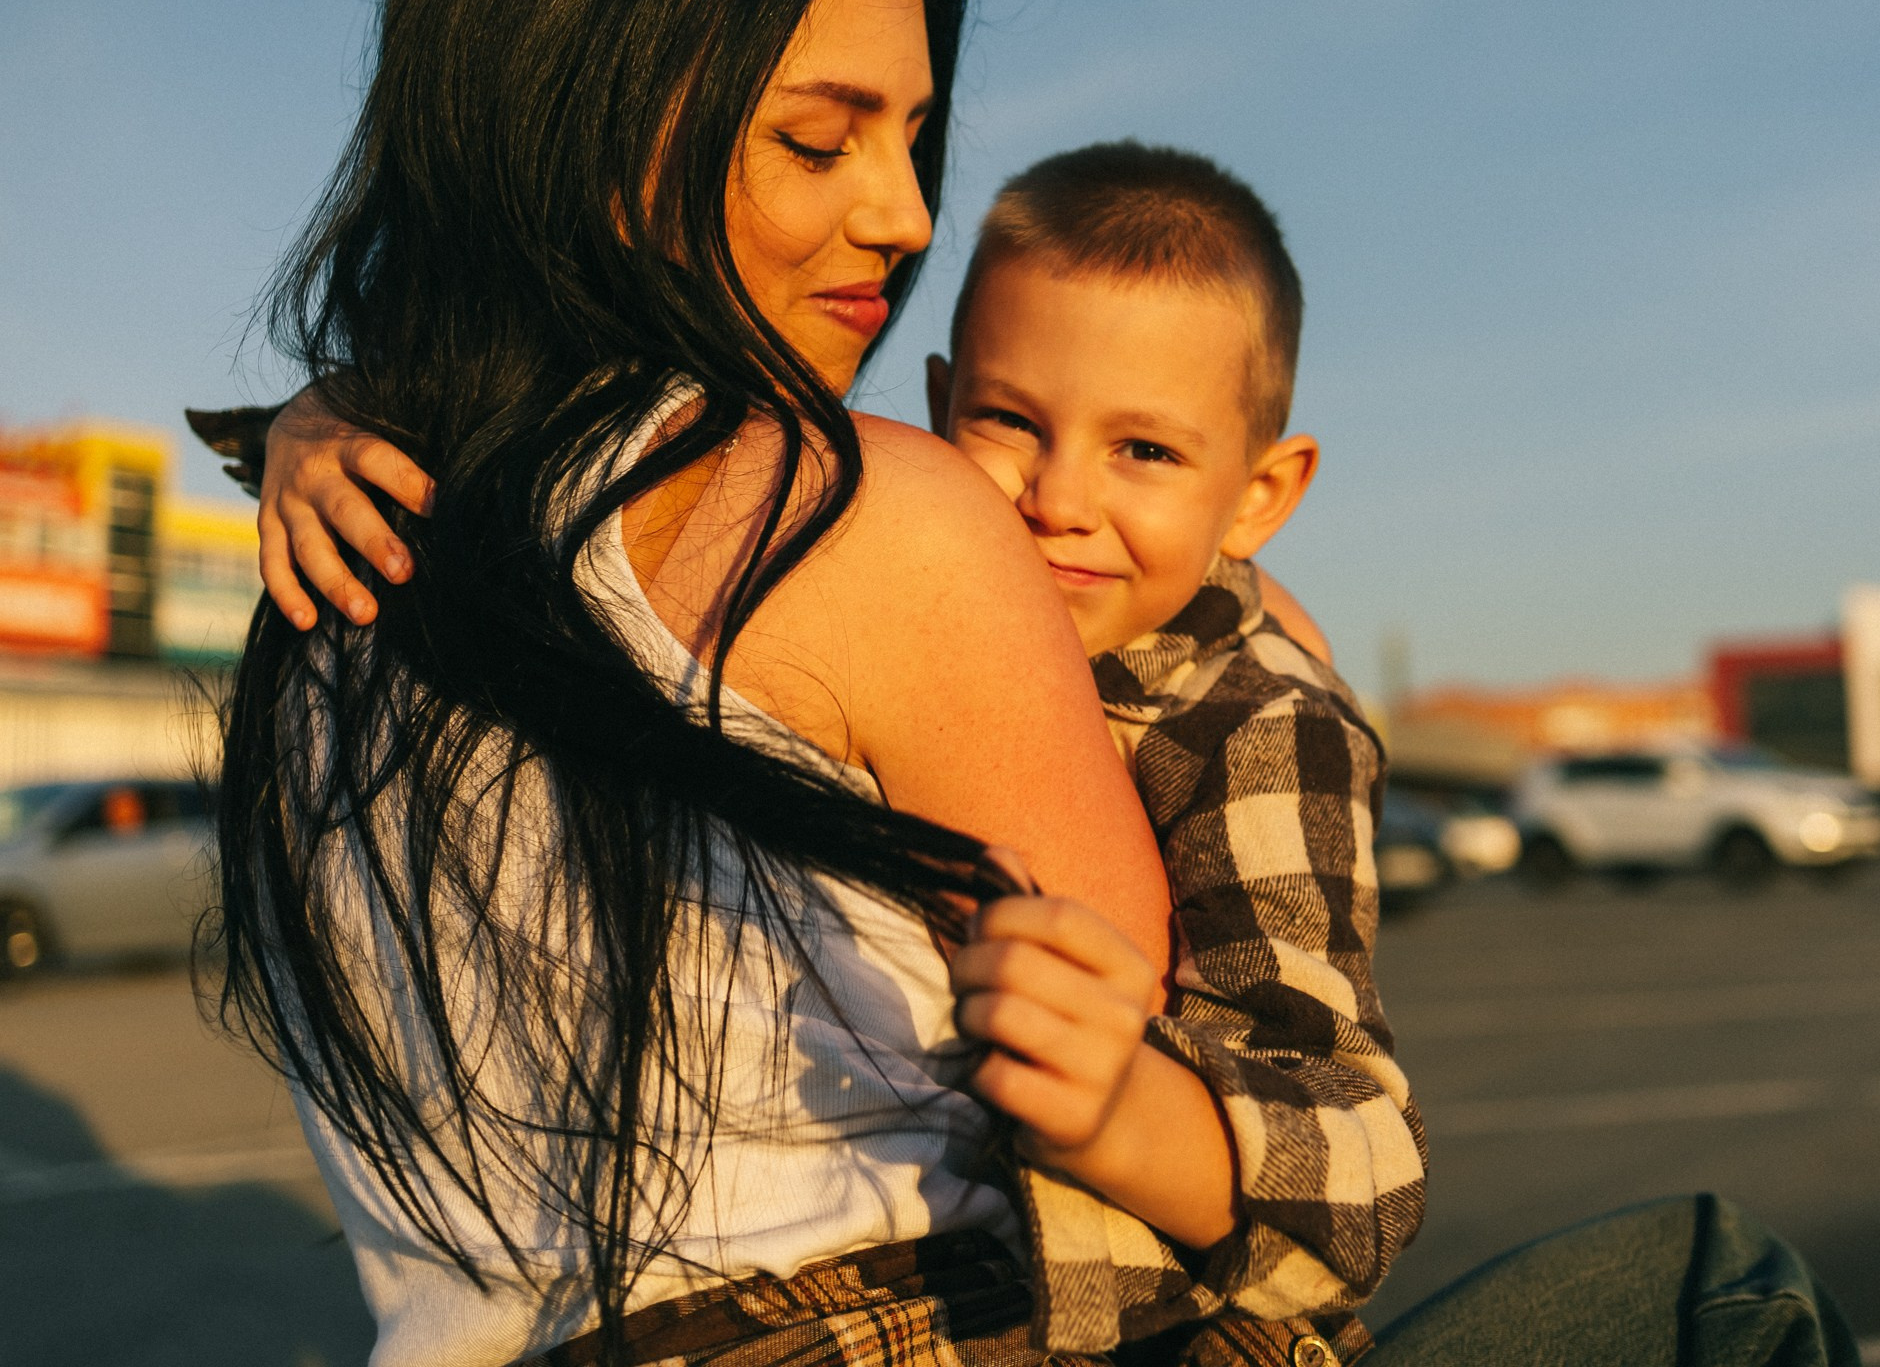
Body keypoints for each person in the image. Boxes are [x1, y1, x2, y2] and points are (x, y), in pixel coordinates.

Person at [201, 0, 1280, 1367]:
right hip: (900, 1330)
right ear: (569, 112)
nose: (904, 218)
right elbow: (1134, 1038)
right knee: (1703, 1280)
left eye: (913, 136)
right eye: (815, 138)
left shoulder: (326, 582)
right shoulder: (866, 513)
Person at [230, 139, 1437, 1361]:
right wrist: (318, 416)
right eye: (1011, 421)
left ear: (1261, 495)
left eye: (1146, 451)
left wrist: (1127, 1112)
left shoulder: (1259, 719)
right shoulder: (927, 583)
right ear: (936, 401)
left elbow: (1359, 1162)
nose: (1059, 495)